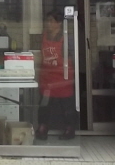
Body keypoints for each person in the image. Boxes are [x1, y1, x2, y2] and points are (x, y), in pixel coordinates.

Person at [37, 10, 76, 140]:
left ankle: (69, 129)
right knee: (44, 105)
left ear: (59, 23)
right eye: (47, 21)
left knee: (66, 105)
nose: (48, 23)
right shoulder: (44, 36)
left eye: (51, 21)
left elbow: (73, 56)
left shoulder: (66, 38)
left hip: (62, 77)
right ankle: (42, 128)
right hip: (47, 77)